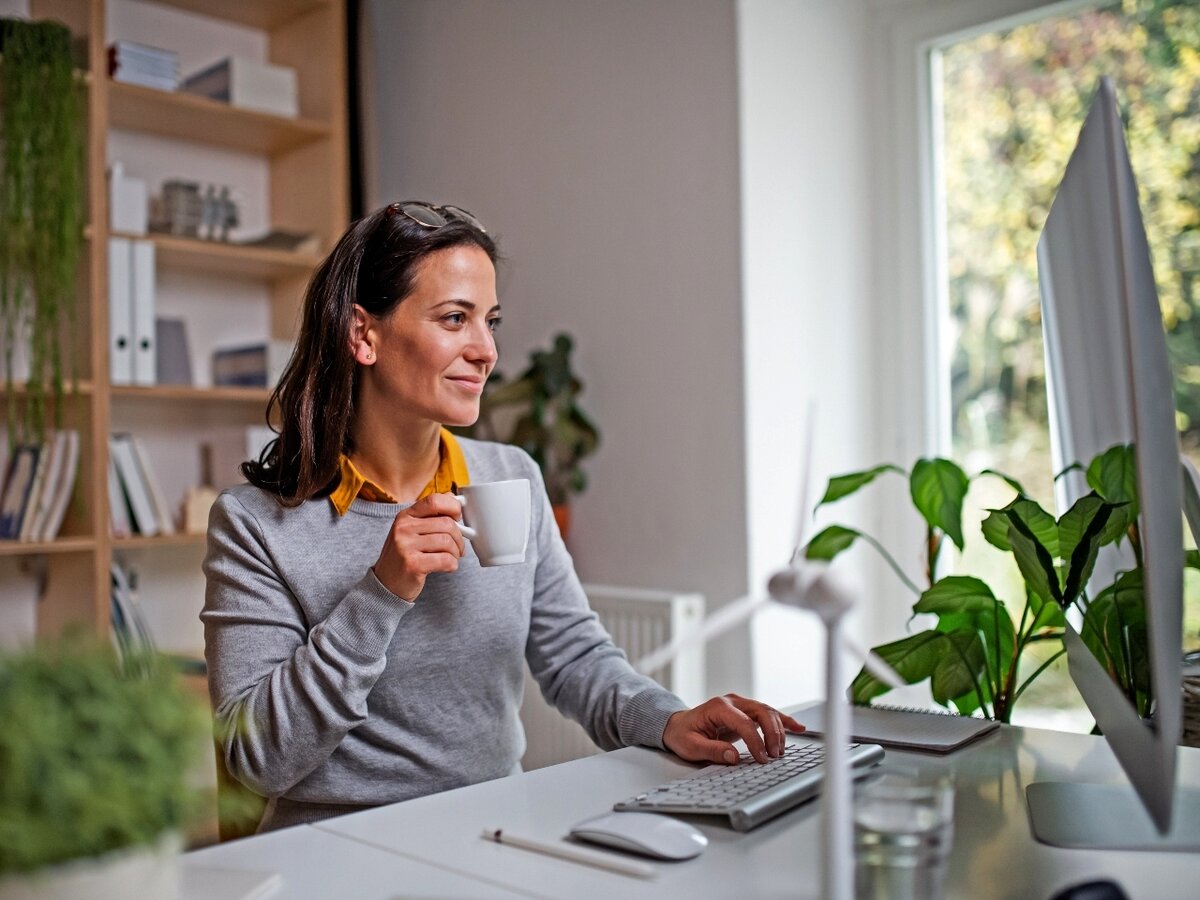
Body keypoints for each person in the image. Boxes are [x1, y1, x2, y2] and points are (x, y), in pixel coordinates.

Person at [202, 201, 804, 832]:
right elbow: (257, 758)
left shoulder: (508, 478)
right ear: (363, 334)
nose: (486, 350)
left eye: (489, 321)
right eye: (454, 318)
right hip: (337, 845)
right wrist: (379, 593)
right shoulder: (255, 524)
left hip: (493, 829)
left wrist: (668, 720)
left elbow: (574, 658)